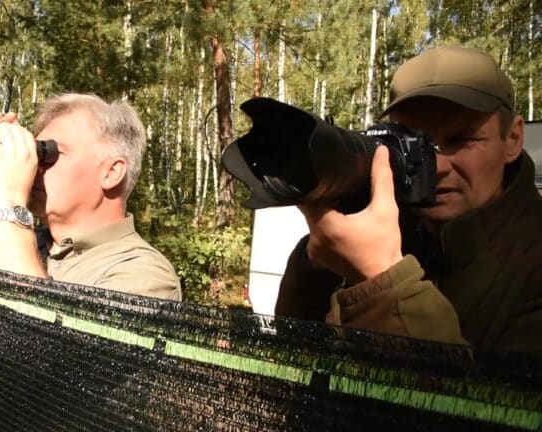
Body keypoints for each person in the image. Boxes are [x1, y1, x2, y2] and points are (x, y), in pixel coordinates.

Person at [231, 46, 541, 353]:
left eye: (462, 140)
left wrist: (381, 279)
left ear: (513, 139)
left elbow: (470, 388)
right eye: (416, 145)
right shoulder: (391, 229)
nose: (437, 166)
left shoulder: (531, 261)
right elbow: (297, 352)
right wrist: (317, 263)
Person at [0, 93, 181, 301]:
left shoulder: (143, 274)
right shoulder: (28, 243)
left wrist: (7, 197)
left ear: (111, 172)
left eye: (48, 153)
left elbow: (30, 341)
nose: (34, 165)